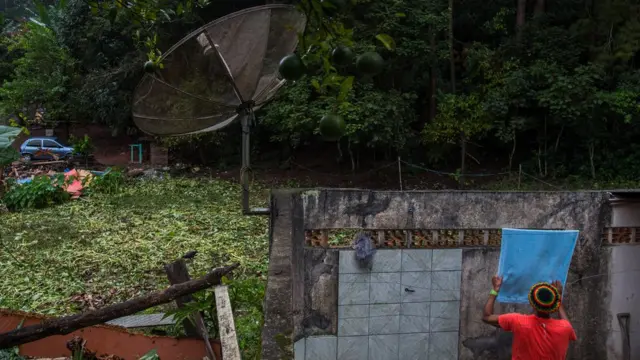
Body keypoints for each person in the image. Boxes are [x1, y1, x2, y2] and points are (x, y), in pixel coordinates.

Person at [482, 276, 577, 360]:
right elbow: (566, 323)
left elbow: (486, 317)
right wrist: (557, 298)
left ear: (532, 303)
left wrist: (495, 290)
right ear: (555, 305)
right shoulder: (565, 328)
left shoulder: (519, 322)